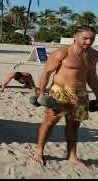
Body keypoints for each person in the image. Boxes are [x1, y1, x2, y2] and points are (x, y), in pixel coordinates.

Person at [33, 26, 98, 169]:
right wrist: (41, 93)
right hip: (59, 92)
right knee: (50, 122)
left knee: (74, 126)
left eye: (92, 39)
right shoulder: (62, 52)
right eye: (85, 38)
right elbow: (46, 72)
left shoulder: (94, 55)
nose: (89, 42)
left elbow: (91, 76)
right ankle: (39, 150)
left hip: (80, 94)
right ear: (75, 36)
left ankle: (72, 155)